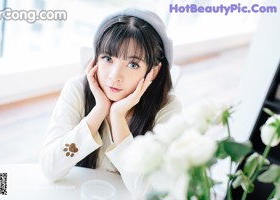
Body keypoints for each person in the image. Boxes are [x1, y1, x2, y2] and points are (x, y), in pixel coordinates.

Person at [39, 7, 182, 199]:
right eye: (107, 58)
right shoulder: (77, 89)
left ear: (153, 71)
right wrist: (99, 111)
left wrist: (118, 118)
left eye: (133, 64)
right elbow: (50, 168)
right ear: (95, 58)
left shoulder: (167, 108)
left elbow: (148, 191)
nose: (114, 76)